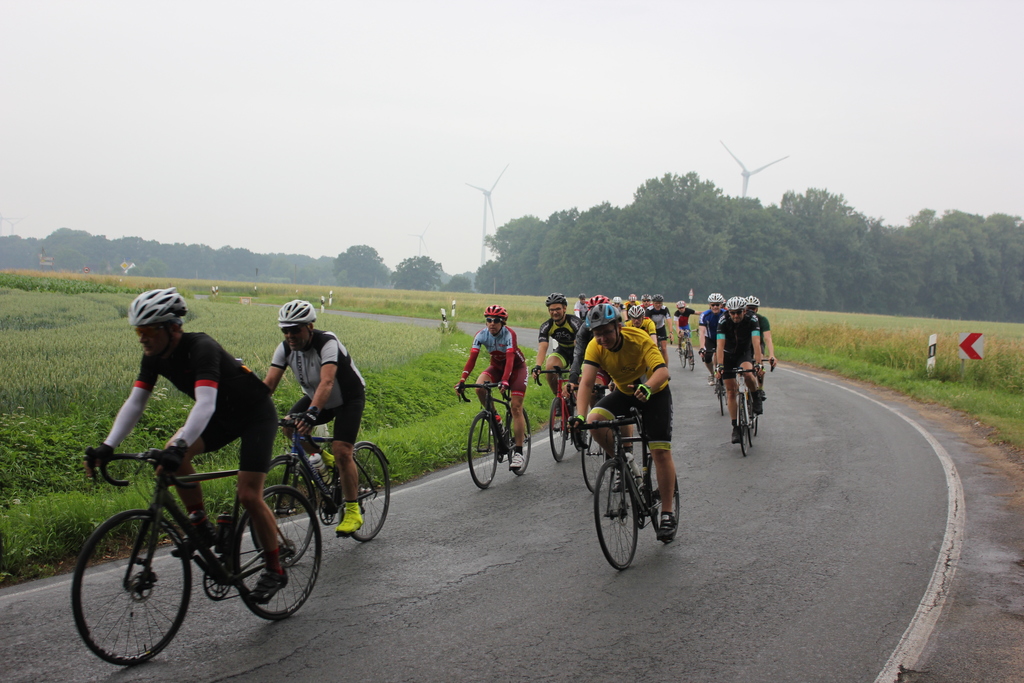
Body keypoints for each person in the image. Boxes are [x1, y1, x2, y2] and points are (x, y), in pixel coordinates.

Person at [84, 288, 287, 603]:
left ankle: (275, 569)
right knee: (172, 461)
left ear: (173, 328)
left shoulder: (201, 348)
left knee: (248, 494)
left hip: (254, 415)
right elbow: (136, 402)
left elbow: (205, 403)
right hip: (221, 418)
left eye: (149, 330)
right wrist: (107, 446)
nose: (142, 338)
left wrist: (179, 445)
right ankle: (202, 528)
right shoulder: (154, 356)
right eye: (138, 331)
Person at [570, 303, 678, 543]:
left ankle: (667, 513)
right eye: (597, 334)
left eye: (607, 332)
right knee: (594, 420)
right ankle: (625, 460)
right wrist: (579, 416)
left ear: (618, 327)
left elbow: (663, 372)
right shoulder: (595, 346)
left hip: (654, 391)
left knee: (660, 451)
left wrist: (647, 387)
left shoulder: (638, 338)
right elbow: (586, 383)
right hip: (625, 391)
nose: (603, 339)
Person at [263, 300, 367, 537]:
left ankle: (352, 510)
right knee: (289, 427)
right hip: (318, 398)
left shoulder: (327, 342)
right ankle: (324, 458)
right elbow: (268, 385)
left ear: (310, 327)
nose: (290, 335)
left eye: (295, 329)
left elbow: (327, 382)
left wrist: (311, 414)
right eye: (285, 330)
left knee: (343, 451)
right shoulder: (285, 348)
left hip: (348, 398)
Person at [456, 305, 529, 471]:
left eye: (496, 320)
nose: (492, 323)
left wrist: (505, 380)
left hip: (516, 369)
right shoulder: (481, 335)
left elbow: (510, 360)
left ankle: (519, 452)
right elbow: (472, 359)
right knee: (479, 387)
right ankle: (496, 419)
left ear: (503, 322)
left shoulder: (509, 334)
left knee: (516, 407)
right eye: (489, 320)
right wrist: (462, 380)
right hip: (496, 367)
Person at [715, 296, 764, 444]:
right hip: (728, 354)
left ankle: (756, 395)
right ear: (729, 312)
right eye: (733, 313)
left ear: (744, 311)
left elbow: (756, 343)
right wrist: (719, 366)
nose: (735, 316)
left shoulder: (752, 319)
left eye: (739, 312)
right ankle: (735, 427)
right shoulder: (723, 320)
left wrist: (759, 364)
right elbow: (720, 346)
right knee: (731, 391)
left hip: (744, 353)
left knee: (748, 374)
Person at [533, 292, 583, 397]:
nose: (555, 312)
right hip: (562, 350)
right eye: (551, 310)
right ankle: (559, 397)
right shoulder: (546, 326)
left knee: (578, 385)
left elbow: (579, 347)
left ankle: (579, 403)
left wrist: (575, 368)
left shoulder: (575, 322)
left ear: (564, 308)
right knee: (550, 367)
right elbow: (542, 347)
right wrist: (537, 366)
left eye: (558, 309)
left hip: (579, 352)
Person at [745, 296, 776, 400]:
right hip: (744, 344)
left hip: (758, 344)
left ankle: (760, 388)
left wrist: (771, 354)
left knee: (759, 359)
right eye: (748, 308)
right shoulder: (742, 318)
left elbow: (767, 338)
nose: (751, 311)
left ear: (757, 309)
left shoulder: (762, 320)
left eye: (753, 308)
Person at [698, 293, 726, 384]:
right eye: (713, 305)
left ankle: (720, 373)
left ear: (721, 305)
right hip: (710, 338)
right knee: (707, 357)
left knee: (720, 356)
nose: (715, 307)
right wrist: (702, 347)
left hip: (722, 338)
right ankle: (711, 373)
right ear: (709, 305)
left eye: (717, 305)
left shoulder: (725, 314)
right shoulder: (704, 315)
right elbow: (702, 332)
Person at [646, 294, 674, 363]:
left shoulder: (664, 309)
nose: (658, 305)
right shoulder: (649, 310)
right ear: (653, 303)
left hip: (661, 328)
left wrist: (671, 332)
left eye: (660, 303)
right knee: (652, 348)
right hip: (652, 329)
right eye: (656, 303)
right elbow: (646, 322)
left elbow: (669, 321)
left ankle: (666, 368)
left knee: (664, 349)